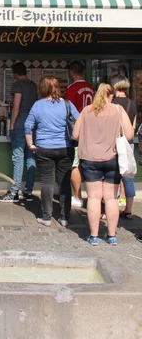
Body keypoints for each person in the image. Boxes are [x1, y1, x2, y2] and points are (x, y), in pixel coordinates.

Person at [72, 83, 134, 245]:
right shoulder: (118, 110)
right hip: (112, 158)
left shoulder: (87, 111)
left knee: (93, 197)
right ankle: (111, 236)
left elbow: (75, 134)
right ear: (111, 95)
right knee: (111, 198)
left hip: (90, 159)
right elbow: (129, 135)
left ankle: (93, 236)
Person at [25, 77, 78, 227]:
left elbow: (28, 126)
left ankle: (46, 217)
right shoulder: (67, 104)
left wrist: (31, 144)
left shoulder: (37, 105)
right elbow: (79, 122)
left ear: (42, 88)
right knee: (64, 184)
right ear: (57, 87)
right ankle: (65, 217)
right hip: (65, 148)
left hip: (44, 148)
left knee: (47, 183)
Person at [0, 62, 38, 203]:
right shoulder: (33, 85)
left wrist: (12, 124)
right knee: (30, 157)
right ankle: (29, 192)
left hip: (20, 124)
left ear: (15, 74)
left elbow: (16, 106)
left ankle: (14, 192)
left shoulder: (18, 85)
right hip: (32, 125)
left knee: (18, 158)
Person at [64, 60, 94, 209]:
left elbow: (68, 112)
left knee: (74, 164)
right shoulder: (91, 88)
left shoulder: (72, 89)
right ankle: (93, 196)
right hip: (92, 131)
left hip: (78, 131)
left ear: (71, 72)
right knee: (89, 165)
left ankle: (77, 197)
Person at [111, 74, 138, 220]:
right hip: (128, 143)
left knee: (112, 177)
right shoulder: (132, 104)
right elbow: (133, 127)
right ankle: (128, 210)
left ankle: (111, 208)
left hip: (114, 143)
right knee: (128, 177)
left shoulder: (112, 103)